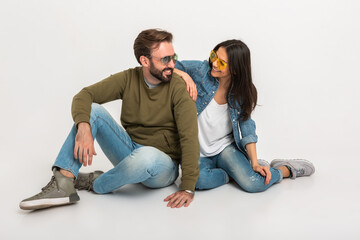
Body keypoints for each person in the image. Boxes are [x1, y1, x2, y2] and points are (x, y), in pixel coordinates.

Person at [19, 29, 200, 210]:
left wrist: (188, 188)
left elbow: (189, 138)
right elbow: (84, 95)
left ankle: (95, 183)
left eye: (173, 57)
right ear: (144, 61)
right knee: (92, 110)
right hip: (130, 150)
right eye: (165, 59)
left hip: (163, 166)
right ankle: (63, 183)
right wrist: (83, 127)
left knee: (147, 157)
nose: (172, 64)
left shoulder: (179, 89)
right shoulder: (129, 79)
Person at [174, 39, 315, 192]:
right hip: (197, 152)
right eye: (214, 56)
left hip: (224, 148)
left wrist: (255, 163)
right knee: (196, 181)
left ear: (235, 69)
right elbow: (166, 67)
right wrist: (185, 75)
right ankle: (232, 175)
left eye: (222, 63)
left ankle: (286, 169)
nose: (214, 63)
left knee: (254, 184)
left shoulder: (241, 93)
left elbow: (247, 127)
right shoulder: (200, 71)